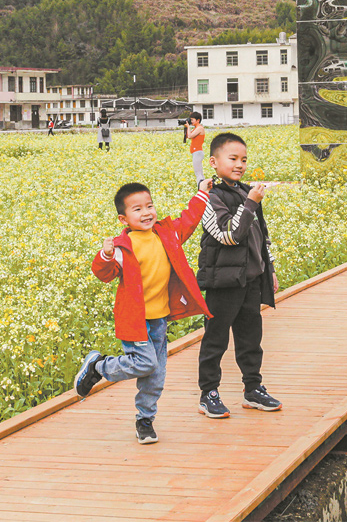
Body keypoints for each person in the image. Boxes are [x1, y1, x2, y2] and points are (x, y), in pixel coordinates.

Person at [74, 179, 214, 444]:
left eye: (149, 206)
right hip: (136, 321)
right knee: (146, 364)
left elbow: (189, 220)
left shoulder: (166, 234)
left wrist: (202, 193)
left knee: (156, 375)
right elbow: (103, 274)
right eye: (137, 209)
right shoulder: (122, 246)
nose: (147, 212)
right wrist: (105, 255)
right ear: (123, 219)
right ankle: (99, 366)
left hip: (159, 319)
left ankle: (145, 420)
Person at [196, 132, 282, 419]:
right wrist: (251, 204)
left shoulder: (247, 192)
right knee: (216, 340)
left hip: (250, 279)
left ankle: (253, 389)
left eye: (244, 159)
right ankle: (208, 394)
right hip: (223, 283)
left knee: (250, 339)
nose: (240, 165)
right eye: (232, 158)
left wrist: (269, 269)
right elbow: (228, 235)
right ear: (213, 162)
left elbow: (261, 237)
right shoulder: (209, 197)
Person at [184, 111, 206, 185]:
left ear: (198, 120)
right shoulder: (196, 128)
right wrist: (186, 128)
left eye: (192, 120)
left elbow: (190, 136)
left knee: (198, 173)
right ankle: (203, 187)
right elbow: (187, 136)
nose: (191, 121)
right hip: (196, 152)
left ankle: (201, 187)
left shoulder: (200, 128)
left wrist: (188, 127)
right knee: (199, 173)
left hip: (198, 152)